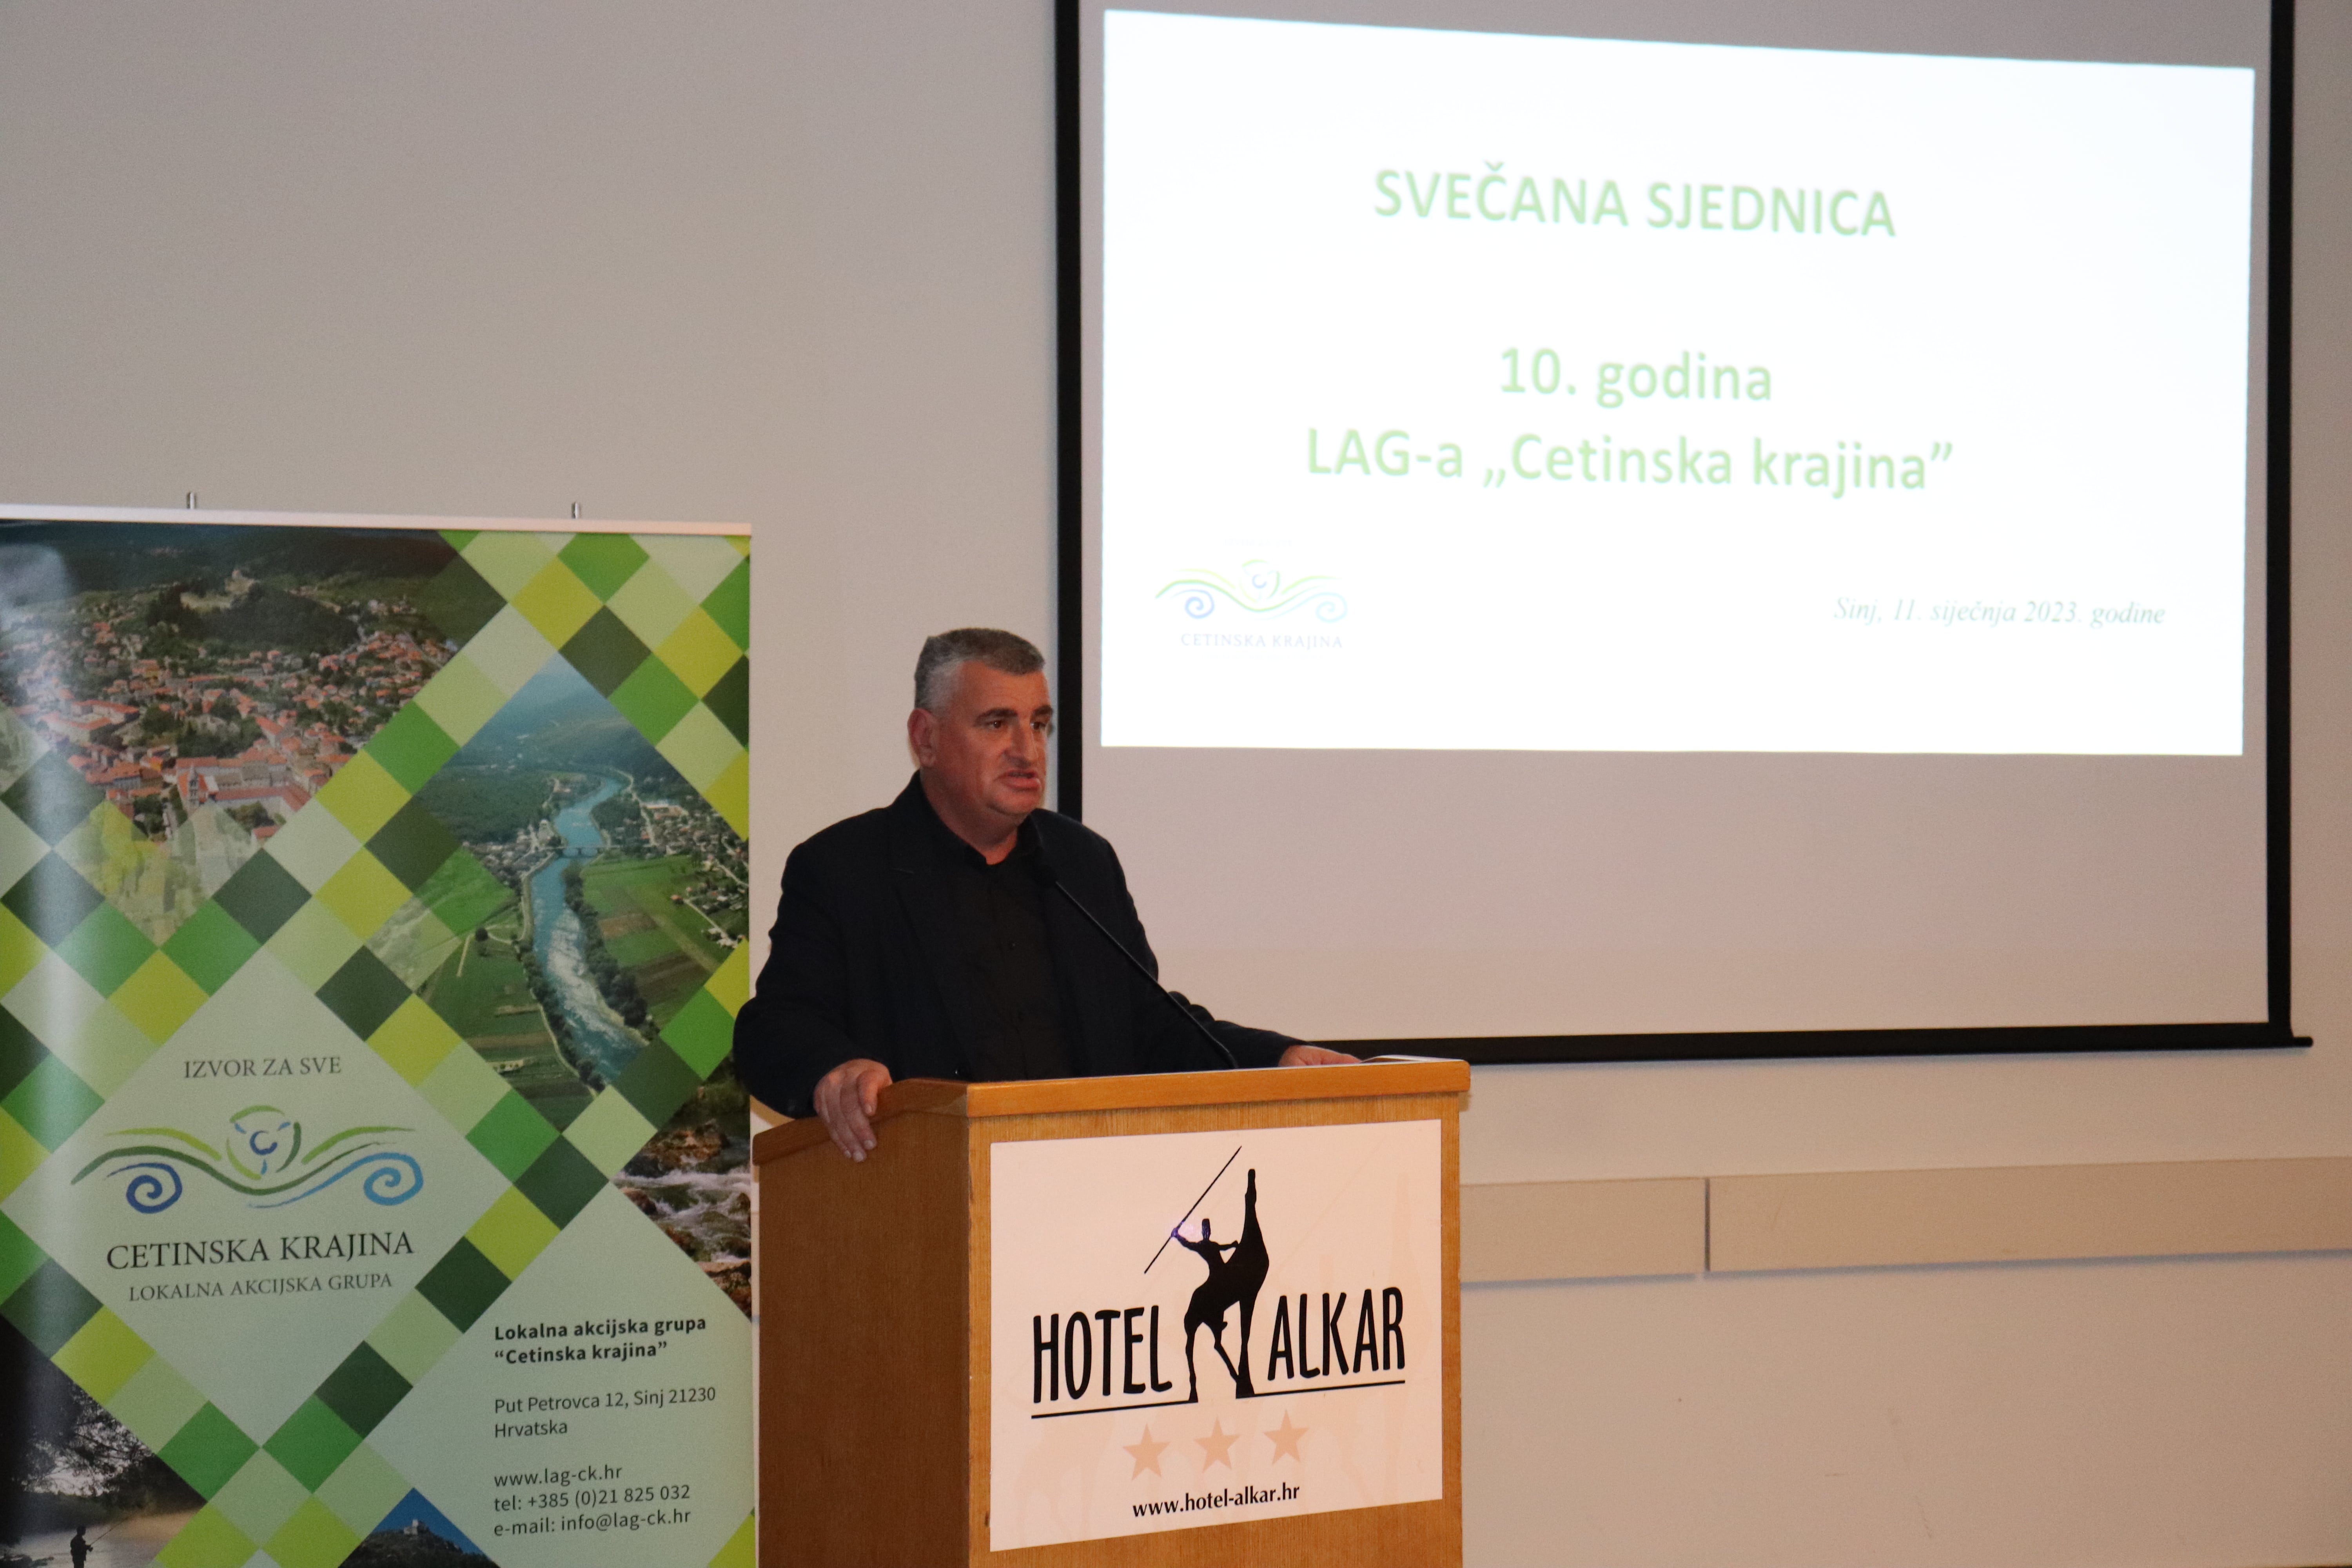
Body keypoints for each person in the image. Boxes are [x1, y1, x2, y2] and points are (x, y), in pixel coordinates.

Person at [732, 628, 1354, 1158]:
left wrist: (1277, 1059)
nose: (1027, 751)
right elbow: (774, 1027)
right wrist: (834, 1069)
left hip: (1085, 1192)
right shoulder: (846, 868)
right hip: (923, 1197)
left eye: (1040, 724)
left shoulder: (1081, 862)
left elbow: (1149, 1025)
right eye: (997, 723)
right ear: (926, 739)